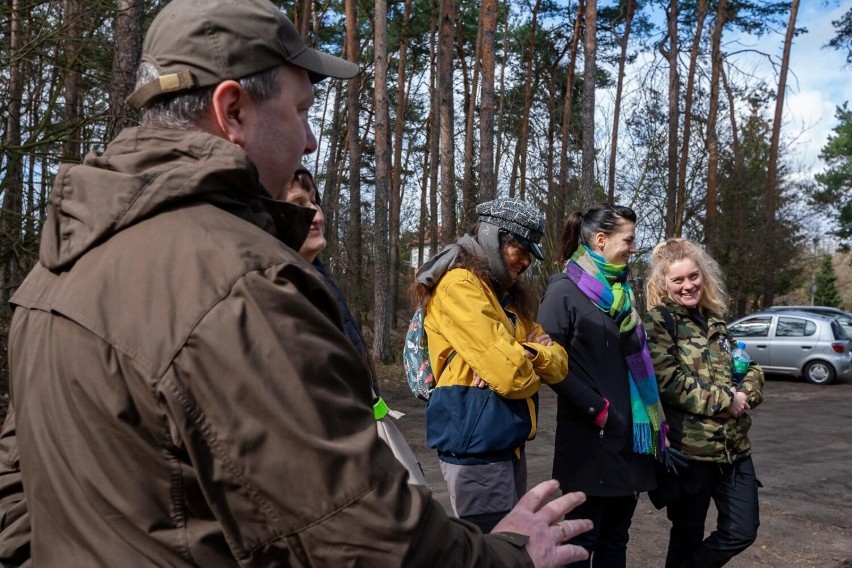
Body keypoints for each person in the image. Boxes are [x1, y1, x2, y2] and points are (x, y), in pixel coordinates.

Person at [0, 0, 594, 565]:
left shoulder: (57, 267)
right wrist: (510, 553)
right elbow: (360, 536)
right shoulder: (240, 285)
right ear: (232, 111)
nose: (311, 140)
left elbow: (18, 498)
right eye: (302, 110)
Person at [412, 198, 571, 534]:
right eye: (521, 249)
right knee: (492, 549)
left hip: (505, 442)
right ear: (493, 236)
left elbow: (559, 365)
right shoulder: (460, 285)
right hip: (475, 447)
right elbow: (512, 377)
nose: (527, 261)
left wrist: (527, 353)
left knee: (511, 545)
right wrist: (527, 355)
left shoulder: (506, 295)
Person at [537, 204, 665, 567]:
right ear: (601, 239)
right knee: (580, 544)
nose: (633, 247)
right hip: (590, 441)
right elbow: (549, 364)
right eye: (629, 239)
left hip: (630, 441)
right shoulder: (563, 292)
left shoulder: (621, 292)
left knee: (615, 540)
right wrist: (597, 409)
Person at [642, 238, 765, 568]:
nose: (687, 286)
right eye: (678, 280)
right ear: (663, 283)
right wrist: (726, 399)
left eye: (693, 276)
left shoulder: (715, 320)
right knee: (687, 532)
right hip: (691, 452)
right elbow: (668, 383)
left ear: (703, 276)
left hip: (734, 448)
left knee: (742, 530)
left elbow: (747, 367)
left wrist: (745, 395)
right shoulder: (659, 323)